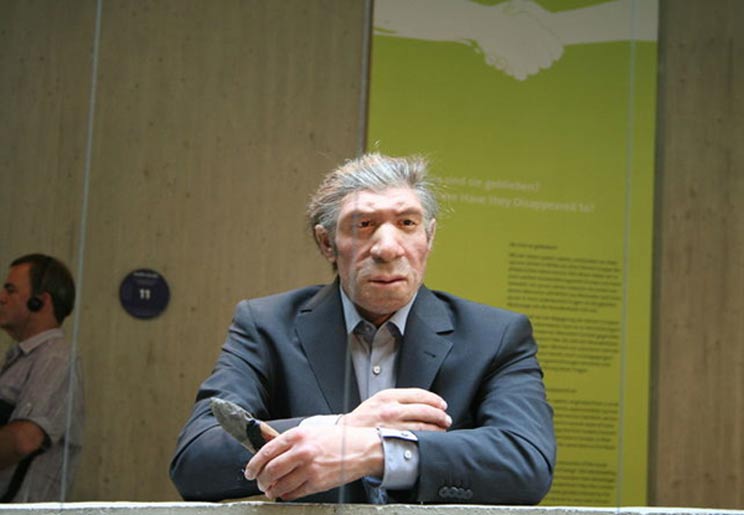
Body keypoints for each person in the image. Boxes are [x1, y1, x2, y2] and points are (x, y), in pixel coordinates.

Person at [170, 154, 555, 504]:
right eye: (364, 225)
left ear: (429, 237)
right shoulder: (265, 325)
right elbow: (197, 460)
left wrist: (373, 449)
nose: (387, 247)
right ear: (327, 244)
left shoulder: (497, 336)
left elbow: (525, 462)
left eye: (407, 223)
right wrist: (339, 427)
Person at [0, 254, 84, 502]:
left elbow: (24, 440)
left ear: (40, 302)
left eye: (11, 290)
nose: (1, 297)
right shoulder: (21, 358)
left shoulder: (56, 358)